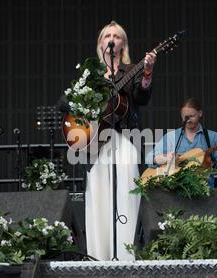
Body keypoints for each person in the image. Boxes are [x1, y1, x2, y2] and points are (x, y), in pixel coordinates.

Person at [83, 21, 156, 261]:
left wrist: (146, 72)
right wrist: (86, 111)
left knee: (126, 192)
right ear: (101, 43)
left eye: (116, 36)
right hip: (96, 144)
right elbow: (64, 102)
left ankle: (126, 256)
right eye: (107, 36)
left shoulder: (131, 69)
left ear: (122, 44)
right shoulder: (91, 76)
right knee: (99, 195)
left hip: (124, 139)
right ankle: (99, 256)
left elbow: (141, 97)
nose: (111, 39)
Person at [145, 97, 217, 187]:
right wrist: (164, 157)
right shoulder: (171, 137)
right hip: (175, 193)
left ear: (200, 113)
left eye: (192, 116)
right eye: (185, 117)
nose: (188, 120)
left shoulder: (213, 137)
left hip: (205, 193)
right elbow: (149, 159)